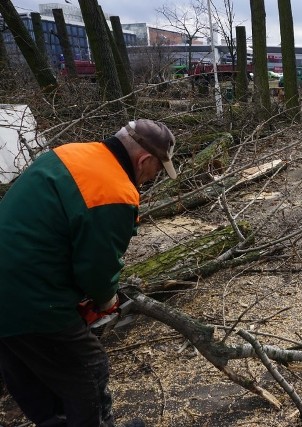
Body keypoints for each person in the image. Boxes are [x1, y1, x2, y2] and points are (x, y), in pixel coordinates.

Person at [0, 119, 178, 427]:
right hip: (33, 298)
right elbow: (97, 267)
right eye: (157, 170)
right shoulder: (115, 190)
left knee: (32, 371)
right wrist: (106, 298)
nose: (152, 178)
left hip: (10, 288)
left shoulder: (69, 153)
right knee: (88, 369)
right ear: (144, 160)